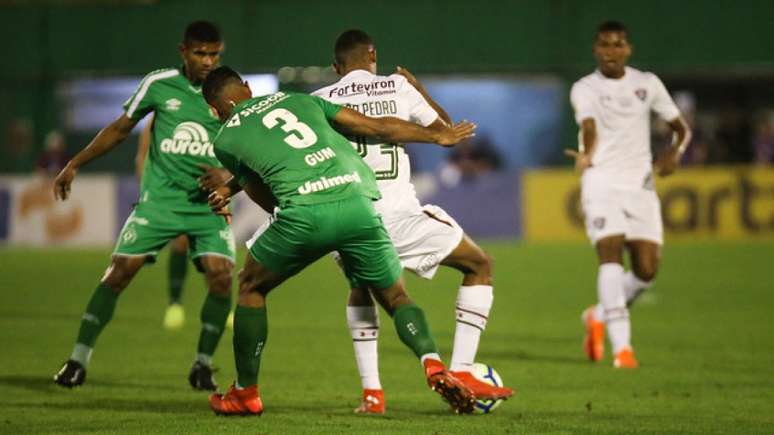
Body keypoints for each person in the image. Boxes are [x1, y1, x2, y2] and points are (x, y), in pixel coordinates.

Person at [201, 66, 484, 416]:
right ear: (246, 87)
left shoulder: (226, 139)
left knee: (250, 287)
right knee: (396, 296)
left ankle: (245, 393)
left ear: (215, 110)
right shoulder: (301, 100)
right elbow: (376, 126)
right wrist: (436, 136)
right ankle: (433, 365)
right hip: (360, 204)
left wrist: (296, 220)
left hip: (305, 214)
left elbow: (264, 196)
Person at [312, 29, 513, 414]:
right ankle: (462, 369)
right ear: (374, 56)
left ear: (336, 67)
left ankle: (372, 394)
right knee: (478, 264)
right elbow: (447, 132)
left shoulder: (319, 100)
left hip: (349, 219)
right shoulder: (397, 87)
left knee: (361, 288)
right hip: (400, 216)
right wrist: (419, 89)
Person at [52, 21, 235, 391]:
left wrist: (228, 172)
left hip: (207, 205)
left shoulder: (228, 89)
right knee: (120, 271)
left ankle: (202, 365)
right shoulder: (159, 84)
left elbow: (248, 139)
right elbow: (121, 128)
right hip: (160, 202)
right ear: (183, 51)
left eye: (214, 53)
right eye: (200, 53)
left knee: (221, 277)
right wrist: (75, 163)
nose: (208, 61)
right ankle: (77, 360)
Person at [566, 20, 691, 368]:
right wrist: (588, 154)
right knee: (609, 256)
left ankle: (598, 316)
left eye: (617, 44)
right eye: (604, 45)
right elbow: (588, 126)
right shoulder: (584, 87)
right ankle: (623, 349)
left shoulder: (647, 84)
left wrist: (673, 154)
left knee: (647, 270)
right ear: (595, 49)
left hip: (640, 184)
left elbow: (681, 129)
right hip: (601, 179)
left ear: (628, 49)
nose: (611, 51)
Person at [136, 115, 231, 330]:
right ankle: (175, 304)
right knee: (180, 242)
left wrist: (225, 178)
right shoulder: (159, 117)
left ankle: (221, 307)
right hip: (175, 192)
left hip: (211, 189)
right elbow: (143, 155)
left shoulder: (215, 112)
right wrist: (148, 192)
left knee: (216, 254)